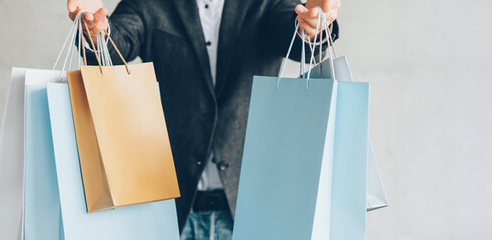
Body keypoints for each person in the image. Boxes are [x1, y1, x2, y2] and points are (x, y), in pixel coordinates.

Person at [66, 0, 340, 239]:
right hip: (168, 210)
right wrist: (96, 32)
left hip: (249, 209)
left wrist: (314, 26)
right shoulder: (149, 3)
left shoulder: (266, 3)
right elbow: (115, 44)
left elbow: (296, 35)